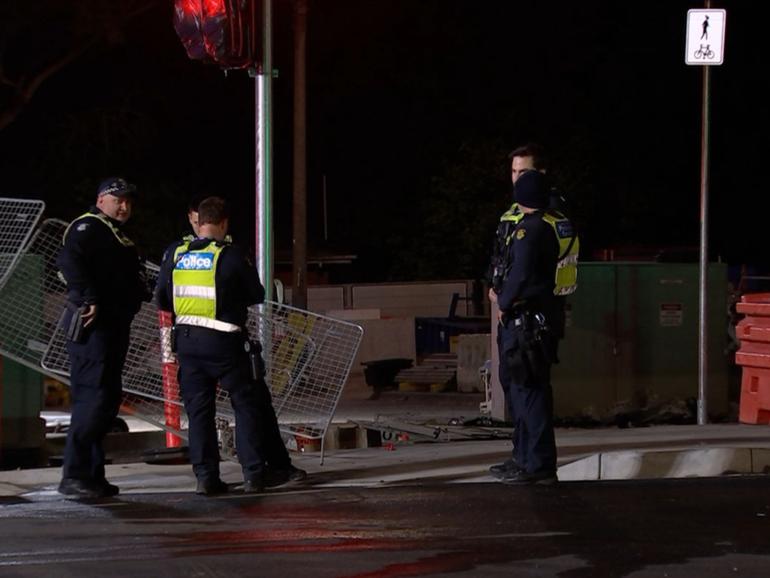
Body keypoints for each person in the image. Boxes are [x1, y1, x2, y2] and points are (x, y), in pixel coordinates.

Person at [156, 196, 304, 495]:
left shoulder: (176, 253)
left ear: (198, 221)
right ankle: (253, 474)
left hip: (186, 343)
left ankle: (206, 478)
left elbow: (161, 298)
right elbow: (256, 294)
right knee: (246, 406)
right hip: (225, 343)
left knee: (199, 413)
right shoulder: (231, 255)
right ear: (223, 223)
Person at [57, 177, 150, 498]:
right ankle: (75, 475)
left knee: (106, 400)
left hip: (111, 326)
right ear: (100, 200)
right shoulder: (89, 227)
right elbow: (70, 260)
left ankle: (91, 475)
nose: (124, 206)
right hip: (94, 328)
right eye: (117, 199)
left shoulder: (114, 233)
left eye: (128, 201)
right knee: (93, 397)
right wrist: (87, 297)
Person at [489, 169, 578, 485]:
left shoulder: (532, 230)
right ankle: (526, 460)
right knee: (524, 392)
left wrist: (502, 301)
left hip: (527, 325)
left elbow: (521, 275)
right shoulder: (549, 224)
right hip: (534, 322)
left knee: (531, 394)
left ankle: (538, 465)